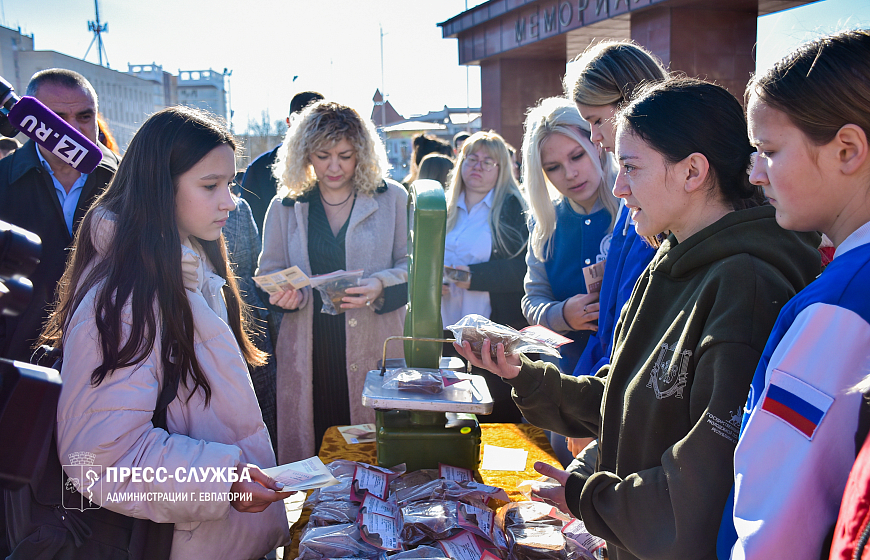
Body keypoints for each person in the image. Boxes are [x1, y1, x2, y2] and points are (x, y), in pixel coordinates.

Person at [454, 78, 821, 560]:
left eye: (630, 167)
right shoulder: (671, 259)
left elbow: (704, 475)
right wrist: (526, 376)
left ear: (692, 172)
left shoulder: (745, 284)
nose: (619, 185)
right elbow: (625, 395)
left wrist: (592, 499)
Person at [6, 106, 291, 559]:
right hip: (171, 543)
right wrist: (223, 482)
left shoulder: (189, 268)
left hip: (205, 539)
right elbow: (100, 459)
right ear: (160, 187)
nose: (230, 202)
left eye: (230, 184)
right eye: (210, 185)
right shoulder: (126, 299)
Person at [718, 29, 870, 560]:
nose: (756, 174)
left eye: (769, 151)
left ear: (847, 150)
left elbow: (777, 527)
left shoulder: (841, 306)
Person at [258, 100, 408, 462]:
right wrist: (284, 295)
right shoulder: (285, 205)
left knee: (374, 458)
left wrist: (380, 285)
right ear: (305, 154)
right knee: (313, 456)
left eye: (345, 155)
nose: (334, 167)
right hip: (310, 354)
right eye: (323, 156)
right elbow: (267, 273)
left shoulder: (392, 198)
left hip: (375, 347)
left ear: (362, 153)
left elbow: (413, 266)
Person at [520, 97, 619, 465]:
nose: (570, 173)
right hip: (565, 378)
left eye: (577, 156)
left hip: (625, 382)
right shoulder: (546, 223)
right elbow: (531, 300)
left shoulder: (635, 210)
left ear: (598, 143)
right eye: (554, 167)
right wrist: (563, 314)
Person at [0, 68, 119, 363]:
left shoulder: (127, 181)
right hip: (18, 359)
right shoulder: (3, 179)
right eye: (58, 117)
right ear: (30, 120)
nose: (74, 128)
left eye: (84, 117)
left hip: (110, 357)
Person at [442, 130, 528, 423]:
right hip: (446, 329)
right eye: (472, 158)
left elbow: (522, 270)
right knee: (451, 416)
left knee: (493, 417)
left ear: (502, 168)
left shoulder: (513, 208)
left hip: (491, 336)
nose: (477, 166)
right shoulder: (443, 207)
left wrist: (473, 277)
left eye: (487, 161)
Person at [223, 196, 279, 451]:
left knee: (265, 420)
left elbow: (256, 272)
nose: (226, 200)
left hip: (251, 332)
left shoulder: (239, 209)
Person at [242, 91, 324, 232]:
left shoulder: (338, 166)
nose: (310, 130)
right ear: (289, 122)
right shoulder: (258, 169)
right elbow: (250, 228)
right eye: (304, 123)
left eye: (317, 123)